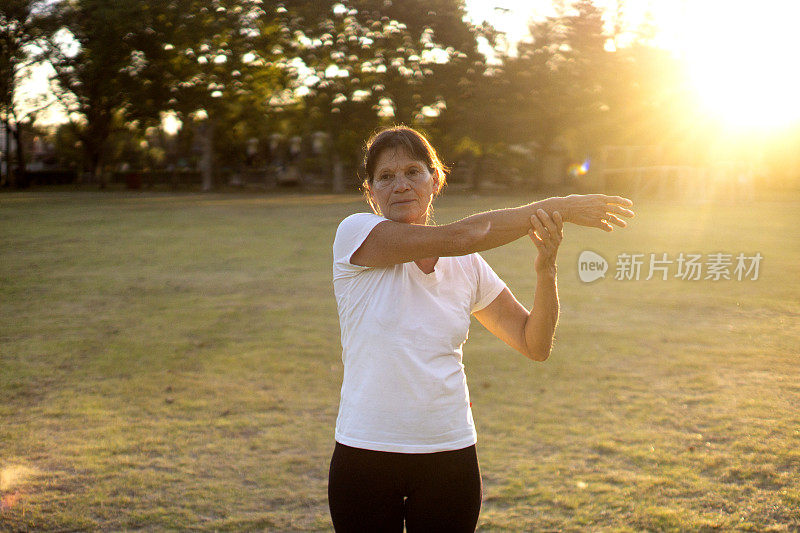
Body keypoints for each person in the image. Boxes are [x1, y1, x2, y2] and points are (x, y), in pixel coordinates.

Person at [328, 125, 634, 532]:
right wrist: (563, 204)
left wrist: (546, 271)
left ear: (436, 180)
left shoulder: (467, 265)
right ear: (370, 191)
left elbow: (534, 343)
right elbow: (462, 236)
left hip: (448, 453)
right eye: (386, 177)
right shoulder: (355, 235)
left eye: (413, 172)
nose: (400, 185)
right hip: (364, 452)